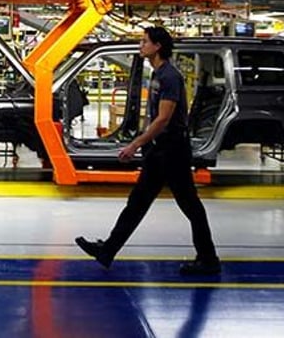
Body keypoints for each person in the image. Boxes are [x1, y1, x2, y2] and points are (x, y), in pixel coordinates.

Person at [75, 26, 220, 276]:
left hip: (172, 150)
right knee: (138, 203)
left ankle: (208, 259)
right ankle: (108, 250)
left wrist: (135, 144)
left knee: (189, 205)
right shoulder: (157, 74)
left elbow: (163, 119)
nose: (140, 45)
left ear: (157, 46)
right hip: (160, 149)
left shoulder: (170, 77)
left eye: (144, 42)